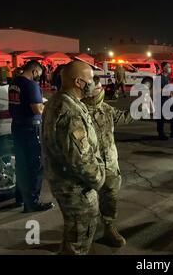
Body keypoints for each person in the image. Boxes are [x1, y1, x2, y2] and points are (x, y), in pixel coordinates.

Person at [42, 61, 105, 255]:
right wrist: (99, 178)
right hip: (77, 189)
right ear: (79, 82)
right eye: (91, 79)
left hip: (64, 183)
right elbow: (81, 159)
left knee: (72, 234)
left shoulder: (58, 101)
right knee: (79, 241)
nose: (95, 84)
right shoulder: (70, 112)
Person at [82, 76, 135, 248]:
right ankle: (81, 235)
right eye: (97, 88)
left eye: (100, 87)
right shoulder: (79, 111)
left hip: (110, 164)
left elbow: (123, 117)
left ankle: (109, 228)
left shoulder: (106, 109)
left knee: (110, 198)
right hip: (88, 166)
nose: (100, 90)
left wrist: (141, 109)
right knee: (86, 202)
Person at [8, 60, 54, 212]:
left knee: (21, 164)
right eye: (39, 75)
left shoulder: (14, 82)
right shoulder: (31, 85)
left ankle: (20, 198)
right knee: (35, 166)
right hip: (31, 128)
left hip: (17, 126)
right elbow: (37, 109)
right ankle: (32, 202)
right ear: (34, 71)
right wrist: (47, 106)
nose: (39, 78)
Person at [157, 62, 173, 140]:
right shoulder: (158, 77)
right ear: (163, 68)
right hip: (161, 100)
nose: (170, 68)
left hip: (169, 100)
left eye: (170, 66)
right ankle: (161, 134)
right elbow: (157, 89)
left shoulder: (168, 77)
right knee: (161, 118)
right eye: (168, 67)